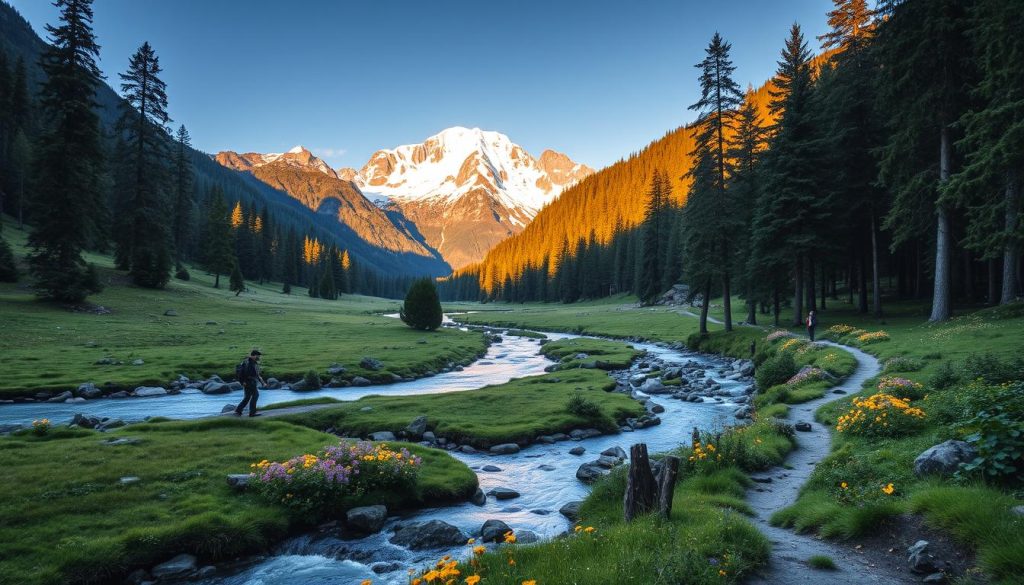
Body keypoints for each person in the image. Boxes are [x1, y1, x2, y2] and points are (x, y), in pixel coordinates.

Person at [234, 349, 266, 417]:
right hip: (249, 382)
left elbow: (257, 374)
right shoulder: (249, 363)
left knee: (247, 397)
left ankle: (238, 410)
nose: (259, 357)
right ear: (254, 356)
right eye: (258, 356)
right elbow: (241, 373)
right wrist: (242, 382)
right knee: (255, 395)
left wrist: (262, 382)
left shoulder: (250, 362)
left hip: (249, 382)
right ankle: (252, 413)